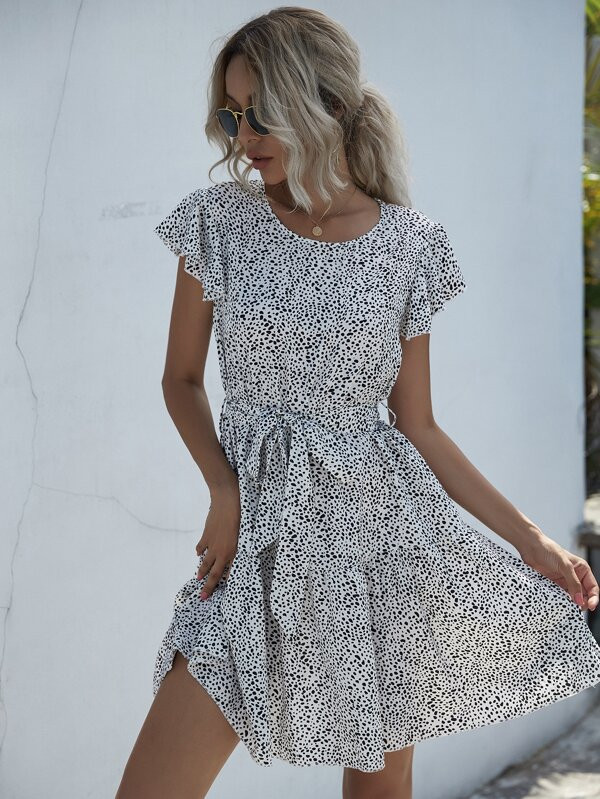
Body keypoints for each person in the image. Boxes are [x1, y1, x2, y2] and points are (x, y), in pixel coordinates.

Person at [116, 7, 600, 799]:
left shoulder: (411, 245)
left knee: (378, 785)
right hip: (253, 545)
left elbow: (420, 427)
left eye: (261, 111)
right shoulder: (218, 222)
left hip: (380, 548)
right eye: (231, 116)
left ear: (329, 105)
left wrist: (533, 540)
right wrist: (224, 488)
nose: (244, 136)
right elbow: (181, 380)